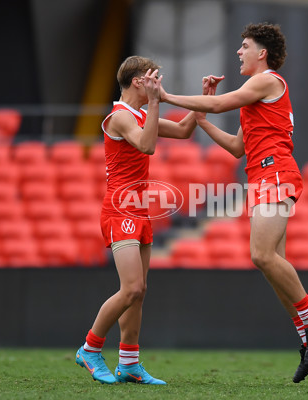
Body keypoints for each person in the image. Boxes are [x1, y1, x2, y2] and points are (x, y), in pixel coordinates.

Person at [160, 23, 308, 383]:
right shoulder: (258, 94)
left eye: (244, 46)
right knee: (272, 263)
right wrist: (203, 122)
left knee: (261, 255)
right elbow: (239, 147)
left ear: (262, 53)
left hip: (276, 175)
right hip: (263, 176)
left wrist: (166, 96)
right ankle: (307, 337)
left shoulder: (268, 80)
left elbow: (221, 101)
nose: (239, 52)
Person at [75, 56, 215, 385]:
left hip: (139, 209)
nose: (158, 83)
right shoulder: (121, 116)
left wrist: (204, 99)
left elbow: (182, 130)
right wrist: (156, 102)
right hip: (120, 210)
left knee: (140, 292)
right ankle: (89, 349)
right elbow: (148, 145)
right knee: (131, 288)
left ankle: (129, 363)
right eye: (153, 78)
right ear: (138, 82)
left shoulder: (139, 114)